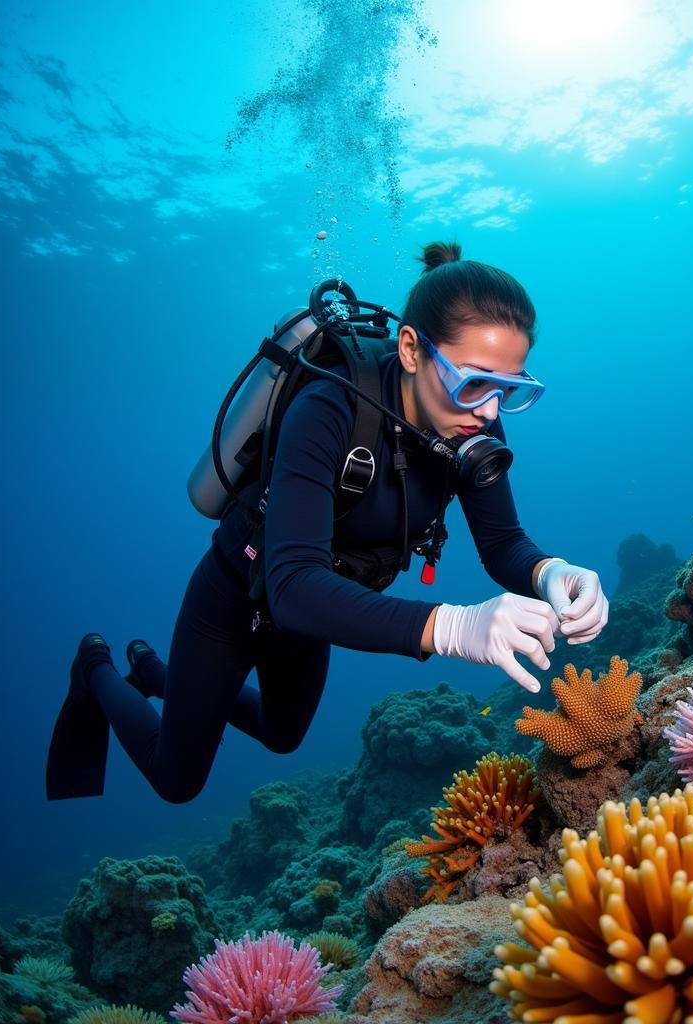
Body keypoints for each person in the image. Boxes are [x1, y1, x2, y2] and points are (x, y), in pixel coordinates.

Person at [46, 241, 609, 803]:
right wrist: (453, 627)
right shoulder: (328, 408)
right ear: (411, 349)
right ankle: (95, 668)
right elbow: (291, 584)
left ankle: (152, 674)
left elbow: (503, 542)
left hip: (316, 615)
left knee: (281, 735)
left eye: (509, 391)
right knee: (176, 782)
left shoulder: (473, 429)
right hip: (235, 599)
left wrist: (549, 571)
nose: (488, 411)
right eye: (475, 382)